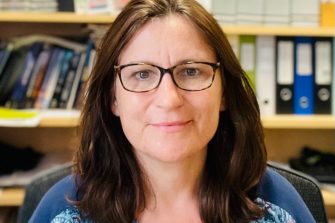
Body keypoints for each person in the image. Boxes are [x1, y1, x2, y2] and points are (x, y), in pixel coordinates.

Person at [29, 0, 316, 222]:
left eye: (191, 71)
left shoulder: (278, 209)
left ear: (225, 93)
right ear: (112, 99)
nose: (169, 99)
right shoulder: (63, 211)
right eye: (141, 74)